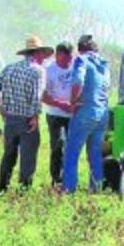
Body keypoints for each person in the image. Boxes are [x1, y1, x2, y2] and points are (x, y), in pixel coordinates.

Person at [0, 35, 51, 192]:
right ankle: (24, 190)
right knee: (28, 157)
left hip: (10, 119)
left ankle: (2, 187)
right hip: (28, 120)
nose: (43, 57)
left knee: (9, 154)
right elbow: (37, 96)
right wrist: (35, 117)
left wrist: (0, 108)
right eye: (42, 54)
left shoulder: (10, 68)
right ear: (37, 54)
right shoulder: (38, 71)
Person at [61, 34, 111, 194]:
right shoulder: (104, 65)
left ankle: (69, 189)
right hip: (102, 113)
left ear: (81, 49)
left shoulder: (81, 60)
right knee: (95, 153)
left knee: (72, 152)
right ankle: (97, 189)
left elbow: (78, 81)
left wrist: (73, 101)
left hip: (85, 111)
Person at [43, 41, 75, 188]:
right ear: (57, 56)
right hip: (55, 114)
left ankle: (69, 179)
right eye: (63, 59)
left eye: (69, 59)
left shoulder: (76, 67)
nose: (66, 62)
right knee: (58, 144)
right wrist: (61, 104)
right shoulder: (48, 70)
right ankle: (57, 179)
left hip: (73, 114)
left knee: (71, 146)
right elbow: (43, 96)